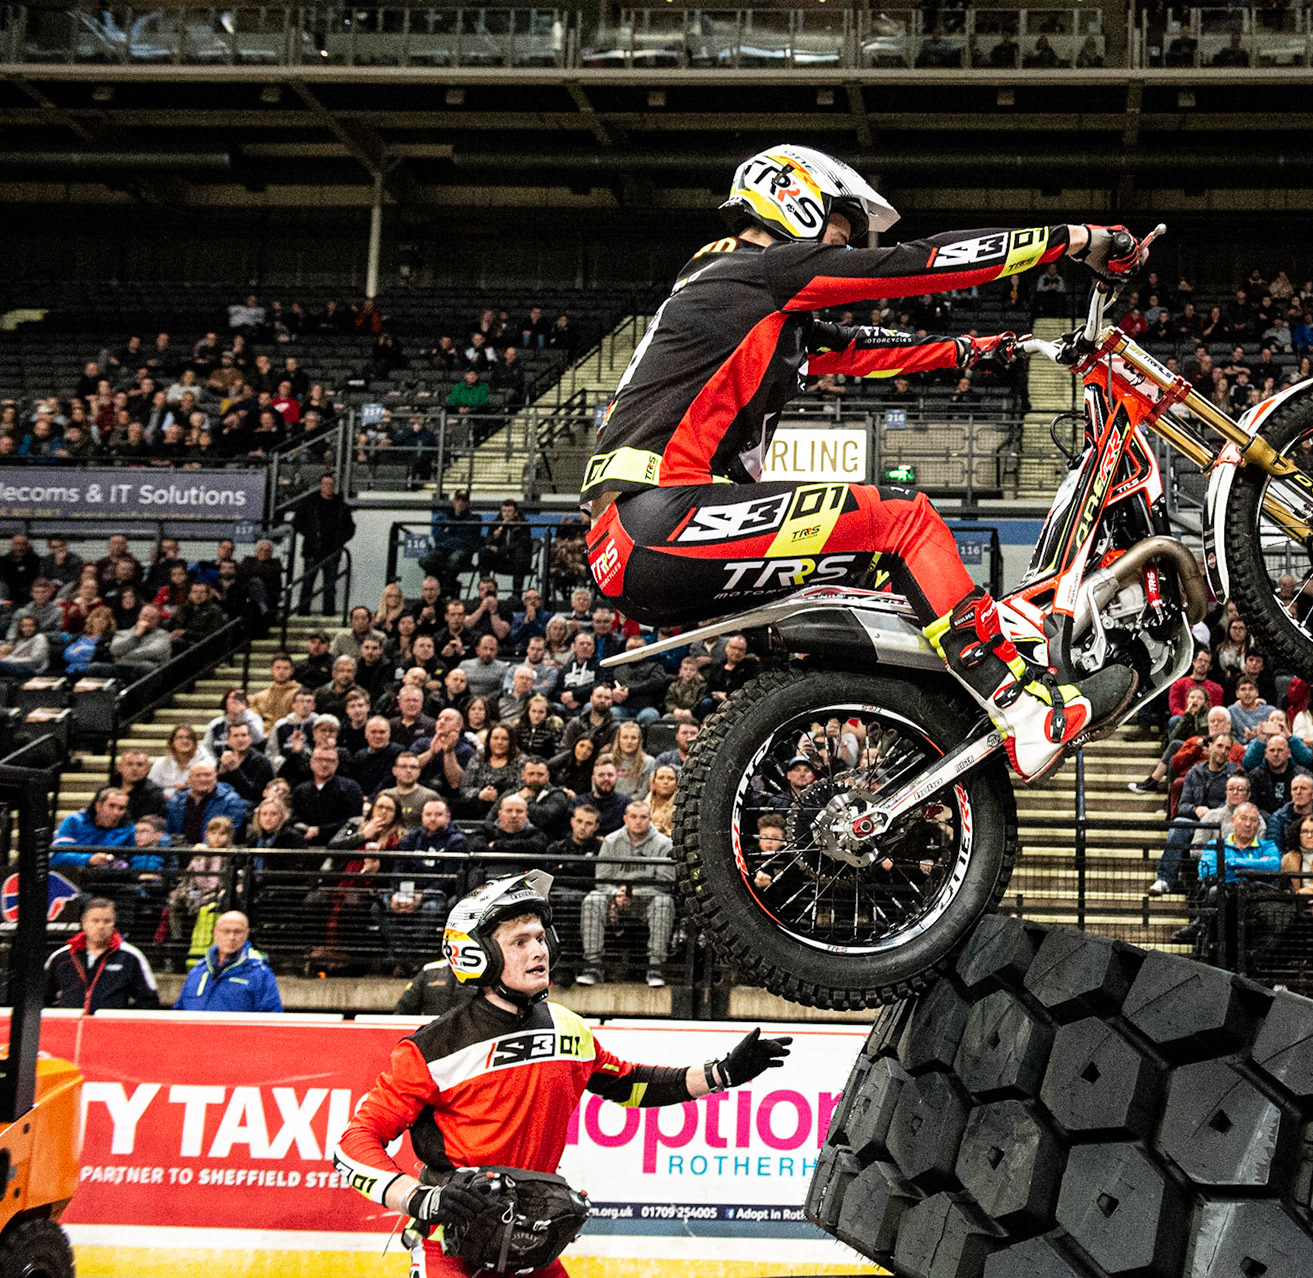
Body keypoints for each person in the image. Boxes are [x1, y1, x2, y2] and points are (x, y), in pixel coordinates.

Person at [580, 145, 1145, 783]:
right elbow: (922, 265)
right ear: (794, 200)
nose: (843, 251)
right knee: (901, 521)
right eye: (840, 233)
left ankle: (923, 753)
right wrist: (1074, 238)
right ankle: (1027, 709)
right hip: (660, 518)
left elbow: (858, 350)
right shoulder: (761, 271)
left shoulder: (737, 294)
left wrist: (986, 348)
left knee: (890, 588)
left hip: (640, 537)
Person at [333, 872, 792, 1278]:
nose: (540, 951)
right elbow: (353, 1145)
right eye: (520, 942)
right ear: (475, 957)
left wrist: (724, 1073)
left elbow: (630, 1085)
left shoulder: (567, 1027)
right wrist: (419, 1199)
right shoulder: (430, 1048)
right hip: (450, 1250)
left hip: (533, 1244)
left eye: (540, 937)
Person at [578, 801, 675, 988]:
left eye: (643, 817)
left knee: (664, 902)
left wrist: (635, 893)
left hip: (647, 900)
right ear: (625, 819)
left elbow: (665, 883)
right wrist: (616, 893)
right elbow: (602, 879)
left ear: (650, 819)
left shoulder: (664, 844)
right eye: (633, 817)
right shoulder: (611, 841)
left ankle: (655, 967)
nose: (638, 821)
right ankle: (592, 967)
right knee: (592, 900)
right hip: (614, 899)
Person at [44, 896, 160, 1012]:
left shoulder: (130, 956)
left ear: (114, 924)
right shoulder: (62, 957)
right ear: (84, 923)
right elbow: (41, 997)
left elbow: (148, 1000)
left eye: (107, 921)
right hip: (69, 1028)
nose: (101, 926)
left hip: (110, 1028)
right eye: (95, 921)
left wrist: (121, 1021)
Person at [174, 910, 283, 1012]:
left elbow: (272, 1018)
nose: (231, 937)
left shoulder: (259, 974)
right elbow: (178, 1014)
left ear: (246, 934)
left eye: (237, 932)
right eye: (226, 931)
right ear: (215, 933)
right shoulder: (198, 971)